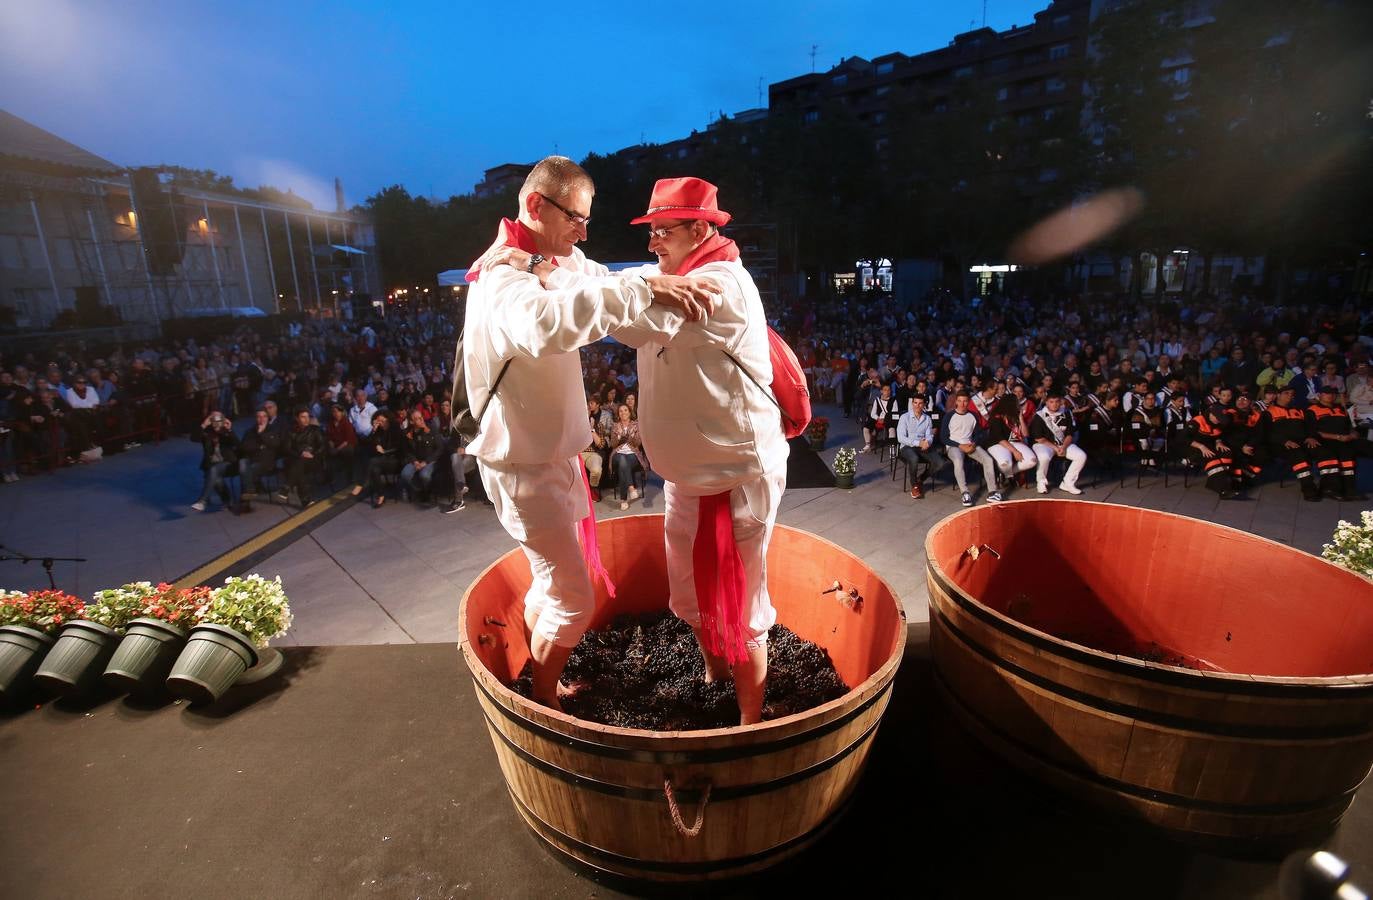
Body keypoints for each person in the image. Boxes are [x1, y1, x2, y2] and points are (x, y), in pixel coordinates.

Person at [463, 157, 716, 711]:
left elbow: (598, 281)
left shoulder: (555, 258)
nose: (583, 232)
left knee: (551, 584)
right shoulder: (503, 275)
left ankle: (542, 674)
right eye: (575, 218)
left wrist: (655, 291)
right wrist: (648, 291)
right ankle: (544, 701)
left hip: (552, 456)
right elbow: (547, 325)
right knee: (575, 599)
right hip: (524, 465)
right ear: (534, 206)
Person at [606, 176, 790, 726]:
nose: (652, 242)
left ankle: (750, 722)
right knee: (687, 595)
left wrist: (563, 285)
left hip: (736, 477)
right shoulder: (670, 278)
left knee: (743, 605)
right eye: (650, 230)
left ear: (700, 229)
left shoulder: (720, 285)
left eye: (663, 231)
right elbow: (628, 291)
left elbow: (633, 322)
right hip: (688, 476)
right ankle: (714, 678)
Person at [943, 391, 999, 507]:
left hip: (970, 444)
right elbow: (943, 437)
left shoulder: (973, 415)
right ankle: (965, 493)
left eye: (965, 401)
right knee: (958, 461)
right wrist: (959, 445)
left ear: (968, 402)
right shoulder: (949, 416)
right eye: (960, 401)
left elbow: (978, 433)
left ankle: (992, 491)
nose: (962, 404)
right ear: (956, 402)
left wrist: (974, 443)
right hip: (954, 446)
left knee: (988, 459)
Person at [1029, 393, 1086, 495]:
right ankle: (1041, 482)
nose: (1054, 404)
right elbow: (1039, 438)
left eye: (1057, 402)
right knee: (1044, 457)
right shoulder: (1039, 416)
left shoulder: (1067, 413)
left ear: (1060, 402)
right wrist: (1056, 448)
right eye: (1051, 402)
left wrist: (1063, 447)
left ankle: (1067, 483)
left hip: (1063, 444)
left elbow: (1069, 434)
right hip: (1044, 444)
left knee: (1081, 456)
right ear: (1046, 403)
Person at [984, 394, 1036, 501]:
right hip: (998, 443)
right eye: (1016, 403)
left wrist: (1021, 418)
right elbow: (999, 438)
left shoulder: (1016, 416)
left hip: (1015, 442)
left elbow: (1025, 434)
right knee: (1005, 463)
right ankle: (1006, 473)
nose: (1018, 405)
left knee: (1032, 461)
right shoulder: (997, 417)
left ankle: (1007, 474)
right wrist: (1015, 452)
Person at [1187, 403, 1241, 498]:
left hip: (1209, 446)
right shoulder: (1197, 421)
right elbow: (1183, 439)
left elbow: (1218, 435)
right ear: (1211, 414)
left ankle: (1222, 482)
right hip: (1193, 447)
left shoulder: (1218, 422)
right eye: (1218, 418)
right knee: (1213, 460)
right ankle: (1223, 491)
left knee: (1227, 453)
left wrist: (1218, 442)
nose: (1219, 421)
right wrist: (1201, 447)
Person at [192, 411, 240, 512]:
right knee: (216, 476)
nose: (217, 424)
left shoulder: (226, 431)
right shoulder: (207, 432)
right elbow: (194, 438)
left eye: (219, 420)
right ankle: (227, 501)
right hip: (212, 464)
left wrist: (230, 429)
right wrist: (204, 425)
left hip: (228, 464)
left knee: (213, 471)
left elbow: (237, 444)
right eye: (214, 420)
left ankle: (202, 501)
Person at [896, 395, 943, 499]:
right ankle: (914, 485)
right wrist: (918, 443)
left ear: (924, 405)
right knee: (914, 458)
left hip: (922, 446)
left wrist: (928, 442)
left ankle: (921, 479)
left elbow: (929, 436)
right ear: (912, 403)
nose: (917, 405)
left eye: (920, 403)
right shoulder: (905, 417)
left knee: (940, 463)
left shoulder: (927, 419)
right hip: (907, 447)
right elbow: (901, 438)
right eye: (915, 403)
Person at [282, 408, 325, 508]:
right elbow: (287, 449)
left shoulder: (315, 429)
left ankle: (287, 486)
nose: (306, 419)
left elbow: (322, 446)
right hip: (297, 460)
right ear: (297, 418)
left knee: (298, 465)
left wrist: (313, 453)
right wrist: (300, 453)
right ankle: (305, 500)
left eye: (307, 417)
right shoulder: (290, 431)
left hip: (313, 460)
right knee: (299, 465)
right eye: (303, 417)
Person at [607, 403, 646, 510]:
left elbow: (638, 443)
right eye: (621, 411)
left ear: (629, 412)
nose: (623, 413)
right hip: (617, 454)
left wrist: (632, 437)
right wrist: (619, 437)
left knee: (622, 466)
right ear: (618, 414)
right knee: (621, 459)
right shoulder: (615, 426)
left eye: (625, 410)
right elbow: (612, 445)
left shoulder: (635, 425)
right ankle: (631, 488)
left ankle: (623, 500)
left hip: (633, 454)